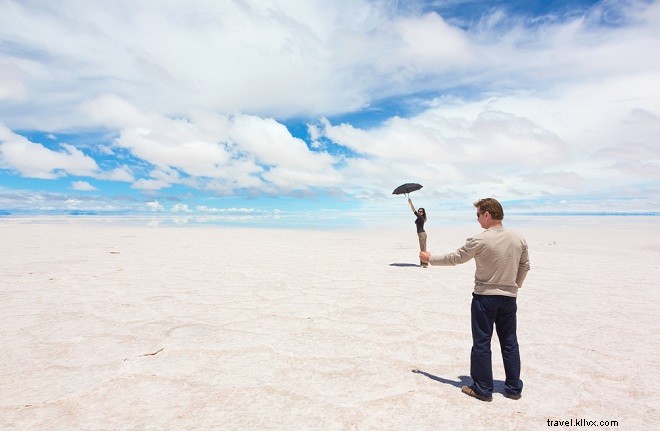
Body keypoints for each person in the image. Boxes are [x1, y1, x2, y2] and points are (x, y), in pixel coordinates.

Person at [419, 198, 530, 402]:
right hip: (509, 299)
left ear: (487, 214)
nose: (478, 219)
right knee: (510, 343)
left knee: (482, 343)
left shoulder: (480, 239)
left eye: (478, 215)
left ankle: (483, 389)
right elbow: (525, 267)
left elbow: (455, 258)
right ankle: (514, 388)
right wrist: (513, 287)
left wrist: (429, 259)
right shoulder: (519, 238)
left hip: (485, 299)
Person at [408, 198, 428, 268]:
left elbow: (414, 210)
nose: (419, 212)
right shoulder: (421, 218)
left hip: (422, 234)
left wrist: (411, 203)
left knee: (423, 249)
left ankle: (424, 264)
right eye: (419, 211)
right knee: (423, 248)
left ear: (423, 213)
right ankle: (423, 263)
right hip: (421, 234)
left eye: (421, 211)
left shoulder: (420, 217)